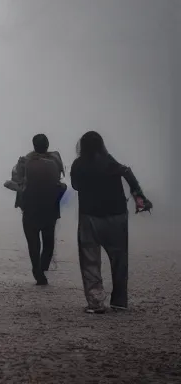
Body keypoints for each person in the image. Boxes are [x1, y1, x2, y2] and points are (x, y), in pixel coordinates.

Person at [71, 131, 153, 314]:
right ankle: (119, 301)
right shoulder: (110, 162)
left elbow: (75, 185)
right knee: (119, 259)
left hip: (89, 216)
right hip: (116, 216)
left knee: (90, 260)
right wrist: (138, 195)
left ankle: (96, 302)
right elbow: (127, 171)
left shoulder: (79, 164)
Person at [10, 134, 67, 285]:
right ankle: (42, 268)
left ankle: (37, 270)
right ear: (47, 145)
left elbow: (16, 180)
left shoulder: (25, 161)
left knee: (33, 243)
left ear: (34, 145)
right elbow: (60, 180)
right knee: (48, 242)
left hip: (30, 209)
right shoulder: (55, 159)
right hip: (50, 208)